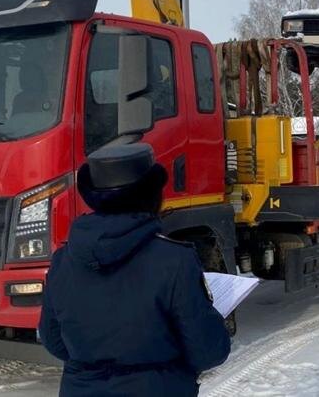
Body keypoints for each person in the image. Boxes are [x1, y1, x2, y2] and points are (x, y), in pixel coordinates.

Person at [39, 143, 231, 396]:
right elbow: (208, 351)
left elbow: (52, 339)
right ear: (153, 196)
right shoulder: (175, 260)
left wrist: (94, 365)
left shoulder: (63, 259)